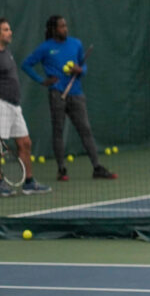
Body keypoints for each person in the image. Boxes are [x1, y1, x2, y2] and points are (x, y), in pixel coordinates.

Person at [20, 15, 117, 182]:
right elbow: (26, 64)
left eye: (65, 25)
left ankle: (97, 168)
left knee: (85, 130)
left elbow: (83, 65)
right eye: (61, 26)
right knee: (58, 131)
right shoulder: (45, 48)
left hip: (76, 94)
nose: (65, 28)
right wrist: (42, 80)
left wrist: (81, 70)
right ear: (53, 29)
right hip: (57, 95)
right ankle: (61, 169)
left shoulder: (76, 43)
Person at [0, 18, 51, 197]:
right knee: (0, 145)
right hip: (1, 105)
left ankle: (29, 183)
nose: (10, 32)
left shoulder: (6, 52)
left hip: (15, 106)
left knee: (25, 143)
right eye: (6, 30)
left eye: (9, 29)